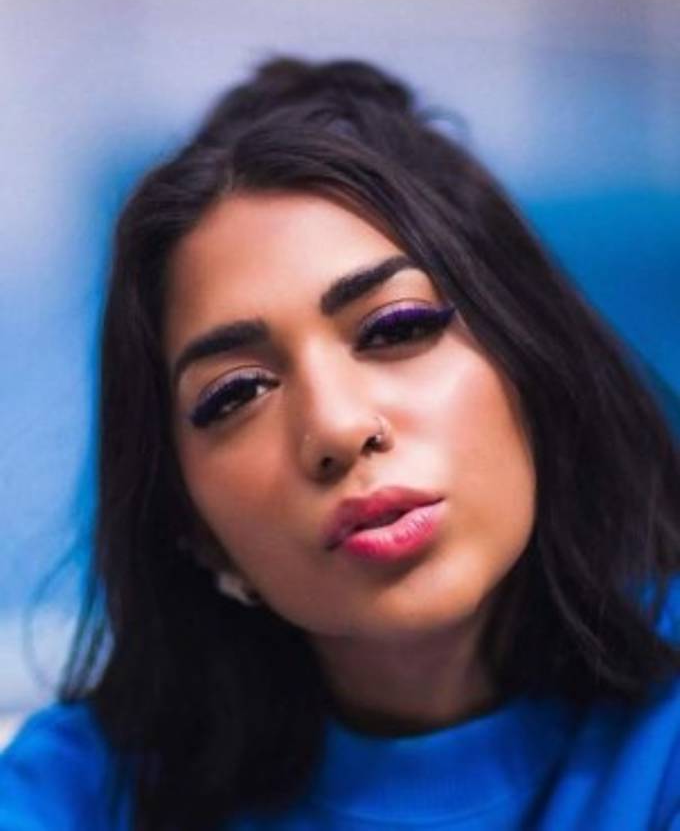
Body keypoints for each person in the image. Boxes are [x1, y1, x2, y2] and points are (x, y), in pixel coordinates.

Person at [1, 57, 679, 831]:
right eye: (237, 393)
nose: (336, 427)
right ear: (188, 520)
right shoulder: (84, 794)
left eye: (397, 328)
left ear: (533, 365)